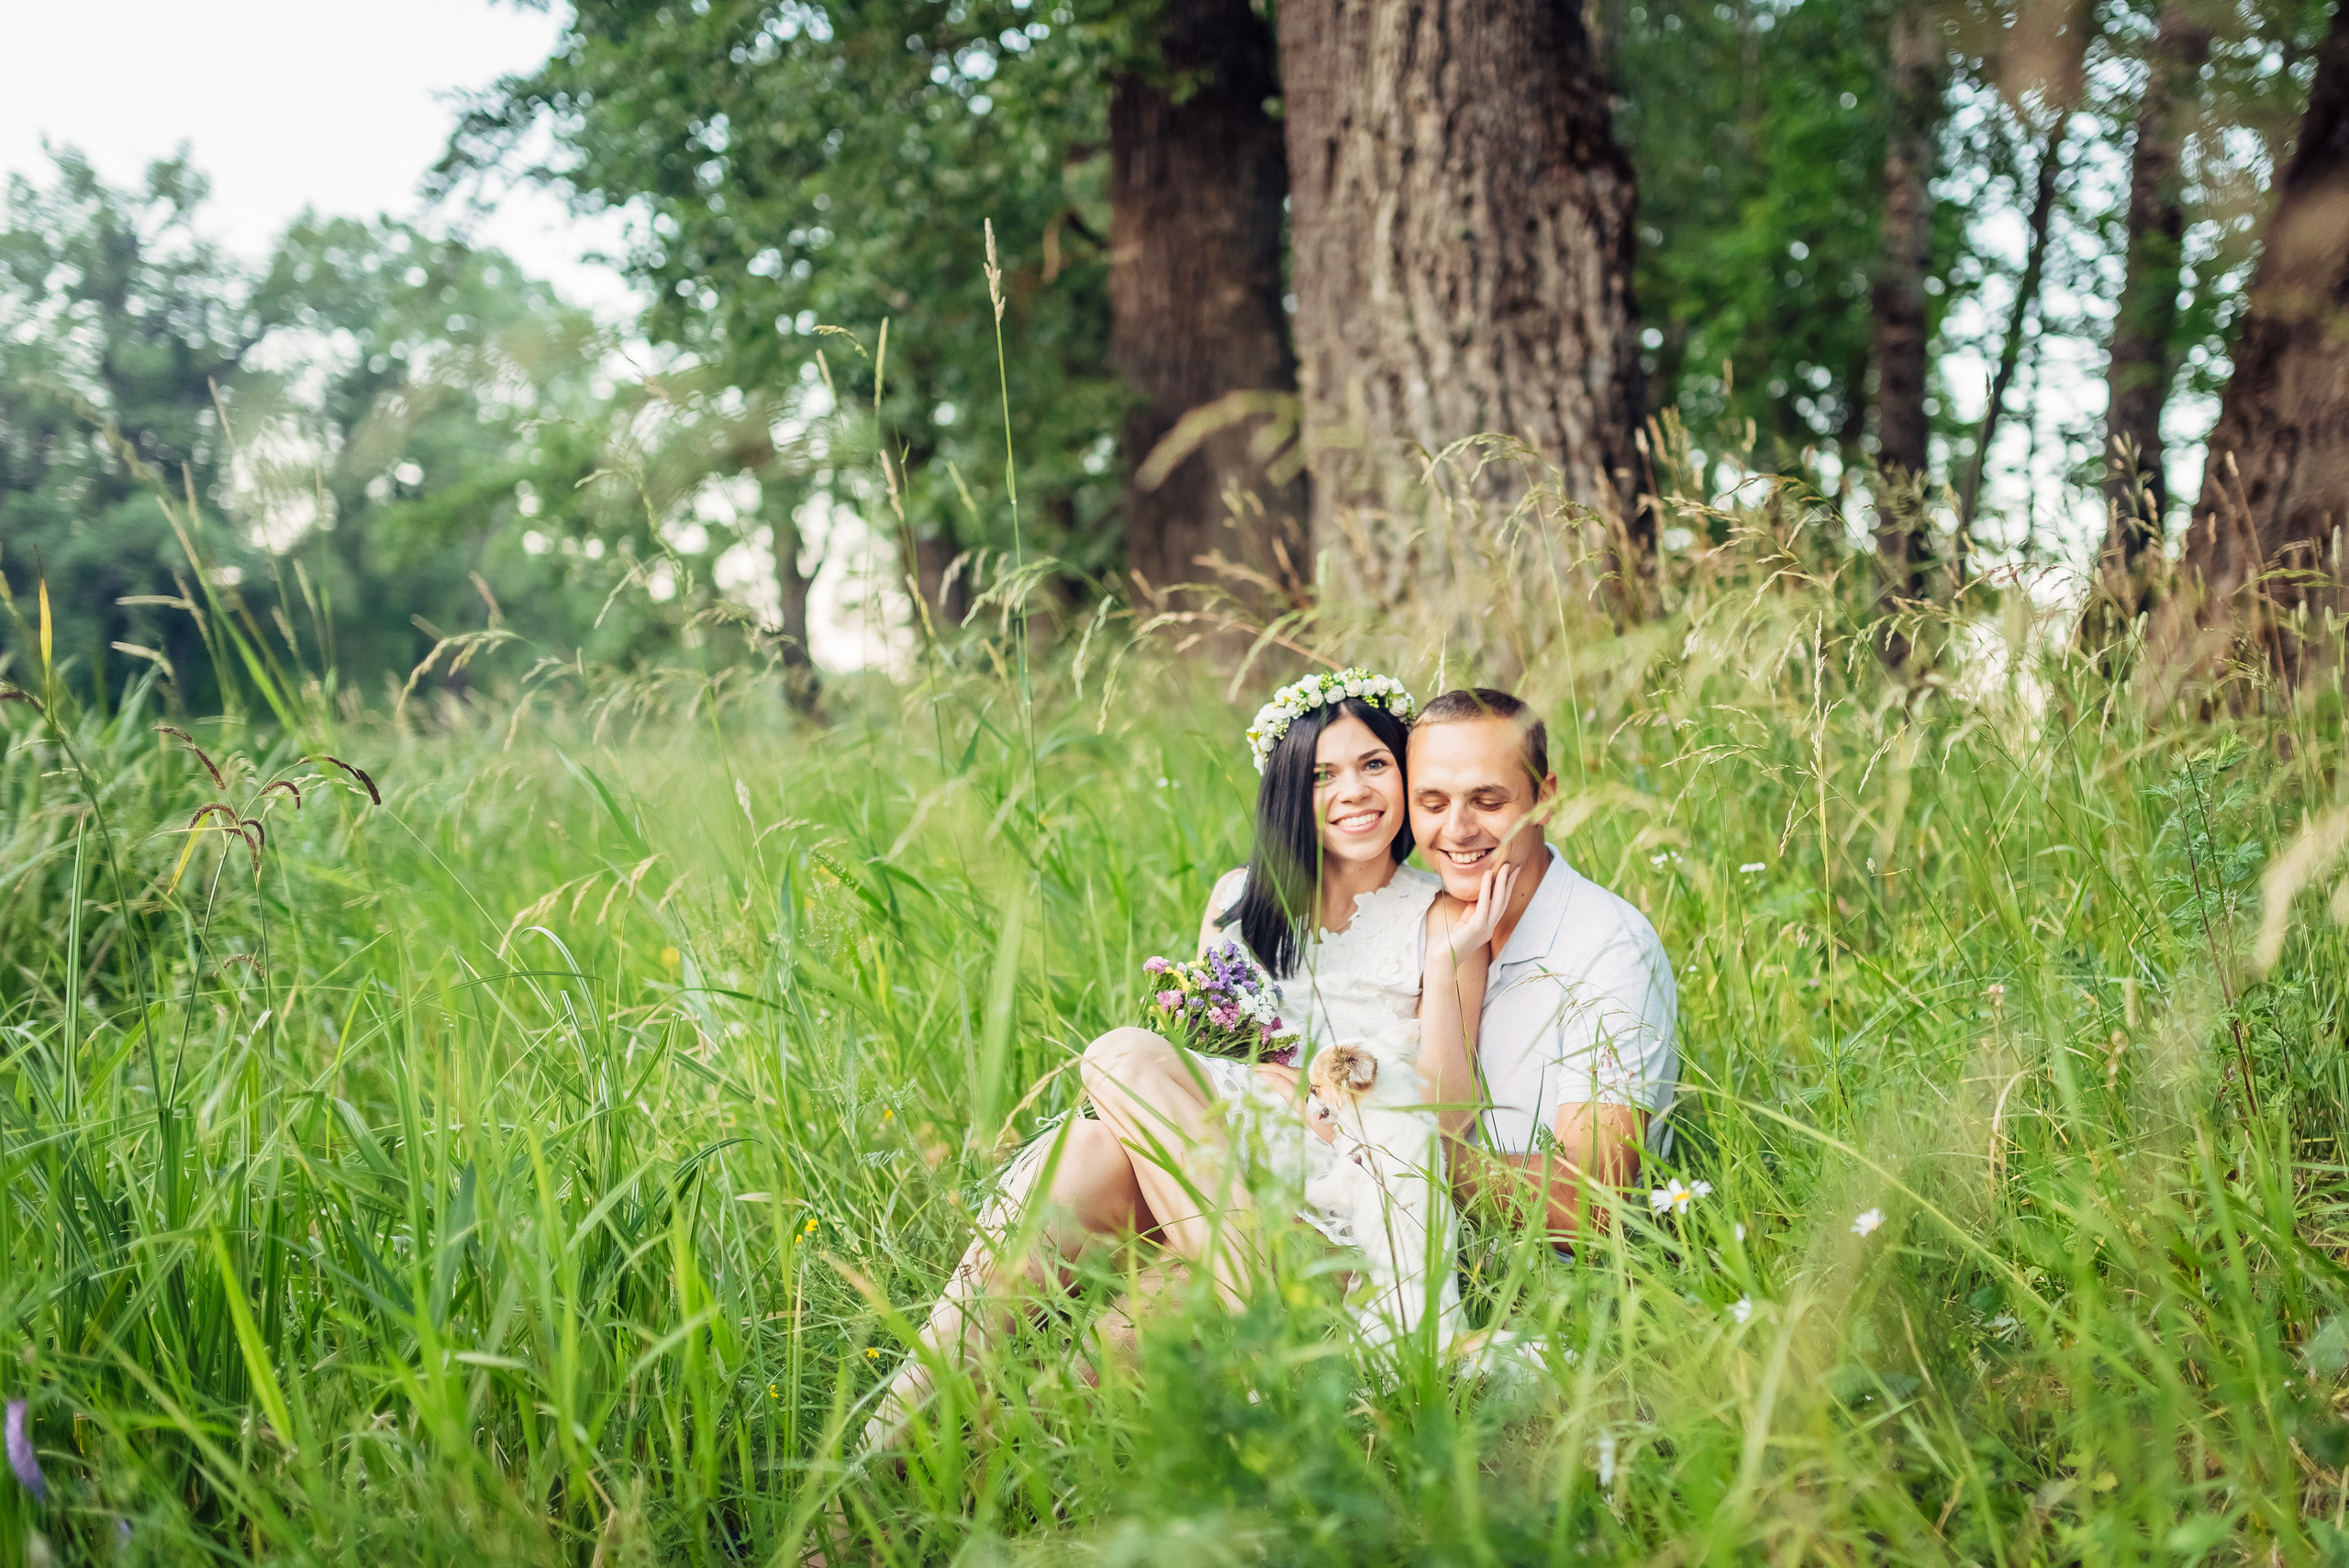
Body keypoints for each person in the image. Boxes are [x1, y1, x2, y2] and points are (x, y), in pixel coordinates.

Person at [861, 668, 1497, 1451]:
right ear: (1287, 791)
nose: (1354, 791)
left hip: (1329, 1201)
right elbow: (1203, 1060)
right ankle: (866, 1469)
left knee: (1113, 1080)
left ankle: (1250, 1309)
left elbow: (1447, 1122)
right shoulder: (1238, 900)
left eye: (1374, 763)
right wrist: (1256, 1079)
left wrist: (1338, 1078)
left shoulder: (1446, 922)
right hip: (1211, 1178)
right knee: (1090, 1142)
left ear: (1404, 772)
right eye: (1322, 774)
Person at [1405, 688, 1679, 1240]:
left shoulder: (1608, 950)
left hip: (1545, 1279)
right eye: (1432, 804)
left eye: (1487, 801)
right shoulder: (1413, 918)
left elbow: (1590, 1202)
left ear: (1544, 799)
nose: (1456, 828)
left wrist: (1394, 1154)